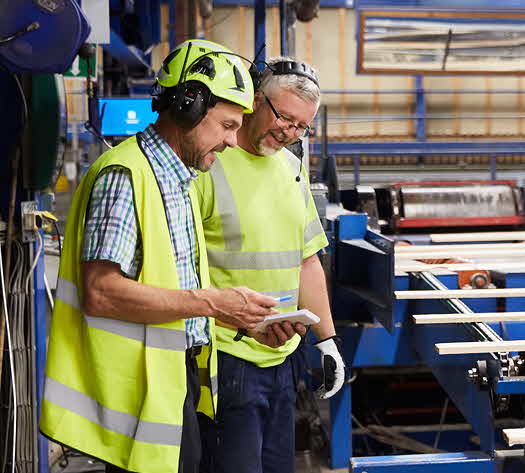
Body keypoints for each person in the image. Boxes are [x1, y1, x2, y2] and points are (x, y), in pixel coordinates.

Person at [40, 39, 281, 473]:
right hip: (136, 395)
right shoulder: (124, 175)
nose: (232, 140)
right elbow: (101, 293)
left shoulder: (178, 180)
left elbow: (171, 287)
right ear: (189, 106)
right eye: (227, 125)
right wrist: (213, 303)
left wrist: (241, 320)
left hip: (172, 385)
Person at [193, 57, 344, 473]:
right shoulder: (208, 164)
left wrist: (327, 340)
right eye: (285, 118)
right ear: (256, 100)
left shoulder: (291, 167)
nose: (290, 132)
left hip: (284, 358)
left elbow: (307, 259)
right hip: (226, 358)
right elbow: (179, 271)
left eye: (302, 127)